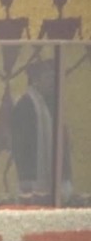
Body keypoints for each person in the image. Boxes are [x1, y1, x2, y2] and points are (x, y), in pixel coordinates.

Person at [11, 59, 72, 196]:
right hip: (33, 178)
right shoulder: (25, 105)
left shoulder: (52, 103)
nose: (52, 82)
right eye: (48, 77)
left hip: (58, 176)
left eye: (54, 78)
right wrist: (26, 177)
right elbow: (20, 145)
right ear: (35, 80)